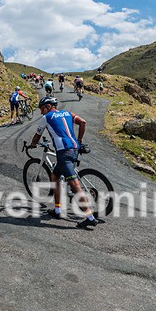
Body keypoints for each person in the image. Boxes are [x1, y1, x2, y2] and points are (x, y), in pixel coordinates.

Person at [28, 96, 99, 229]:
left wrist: (32, 144)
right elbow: (83, 122)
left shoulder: (46, 117)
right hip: (74, 148)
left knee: (74, 184)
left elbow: (37, 135)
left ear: (48, 106)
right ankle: (57, 210)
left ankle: (90, 217)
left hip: (64, 153)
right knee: (54, 176)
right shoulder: (68, 113)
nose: (41, 112)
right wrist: (79, 140)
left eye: (42, 109)